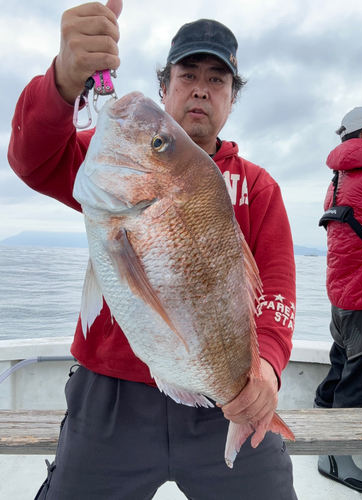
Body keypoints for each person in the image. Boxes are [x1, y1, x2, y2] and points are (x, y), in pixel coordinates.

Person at [8, 1, 297, 499]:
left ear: (231, 99)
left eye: (218, 79)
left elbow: (278, 289)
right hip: (109, 394)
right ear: (165, 86)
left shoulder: (259, 187)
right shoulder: (115, 159)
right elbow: (32, 157)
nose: (201, 88)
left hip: (222, 396)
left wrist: (265, 369)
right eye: (188, 74)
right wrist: (63, 80)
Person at [315, 107, 362, 494]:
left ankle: (321, 431)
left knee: (341, 367)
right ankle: (337, 457)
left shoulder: (338, 181)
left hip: (343, 298)